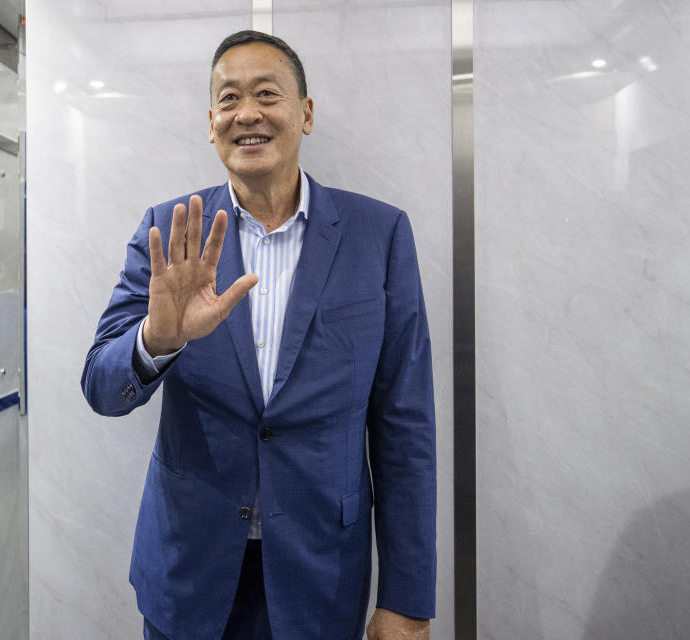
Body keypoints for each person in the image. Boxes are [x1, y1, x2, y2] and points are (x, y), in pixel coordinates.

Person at [81, 30, 436, 640]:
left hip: (321, 568)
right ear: (211, 122)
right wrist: (157, 339)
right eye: (228, 99)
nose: (247, 113)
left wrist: (406, 597)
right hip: (190, 567)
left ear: (306, 113)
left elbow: (405, 425)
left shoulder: (379, 235)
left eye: (267, 94)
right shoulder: (169, 229)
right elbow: (101, 388)